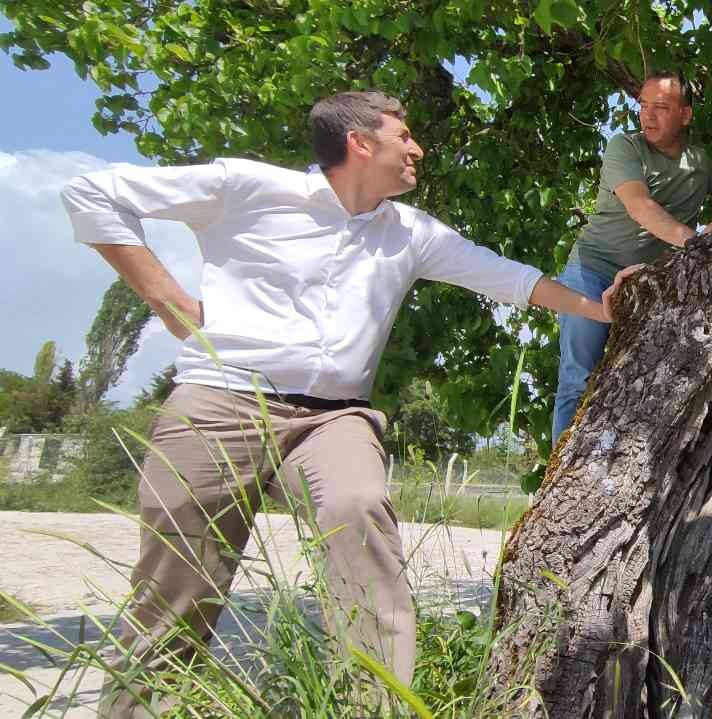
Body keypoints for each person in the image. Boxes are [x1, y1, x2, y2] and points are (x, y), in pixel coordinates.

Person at [60, 90, 622, 717]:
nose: (418, 149)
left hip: (334, 416)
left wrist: (601, 309)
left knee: (359, 511)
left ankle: (376, 706)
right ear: (359, 142)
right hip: (221, 402)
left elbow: (511, 279)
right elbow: (91, 191)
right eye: (403, 136)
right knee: (177, 585)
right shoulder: (246, 187)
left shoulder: (412, 233)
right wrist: (166, 299)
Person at [552, 71, 712, 441]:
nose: (648, 115)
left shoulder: (698, 161)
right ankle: (561, 475)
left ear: (685, 115)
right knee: (578, 379)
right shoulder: (624, 147)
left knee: (649, 379)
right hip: (593, 272)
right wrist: (698, 241)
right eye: (643, 105)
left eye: (661, 107)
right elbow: (640, 207)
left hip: (648, 282)